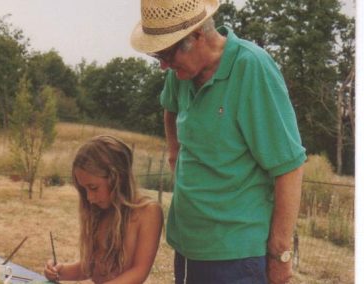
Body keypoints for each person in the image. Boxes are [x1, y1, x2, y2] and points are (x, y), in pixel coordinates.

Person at [130, 0, 306, 283]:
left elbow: (289, 167)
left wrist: (280, 253)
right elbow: (170, 108)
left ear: (197, 35)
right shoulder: (181, 74)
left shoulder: (251, 68)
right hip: (188, 247)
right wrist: (174, 154)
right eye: (156, 55)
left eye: (166, 53)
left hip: (236, 257)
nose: (163, 65)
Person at [44, 135, 163, 284]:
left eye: (93, 188)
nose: (89, 198)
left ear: (117, 178)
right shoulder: (102, 209)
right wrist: (60, 271)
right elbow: (93, 267)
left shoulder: (148, 212)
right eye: (84, 189)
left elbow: (139, 272)